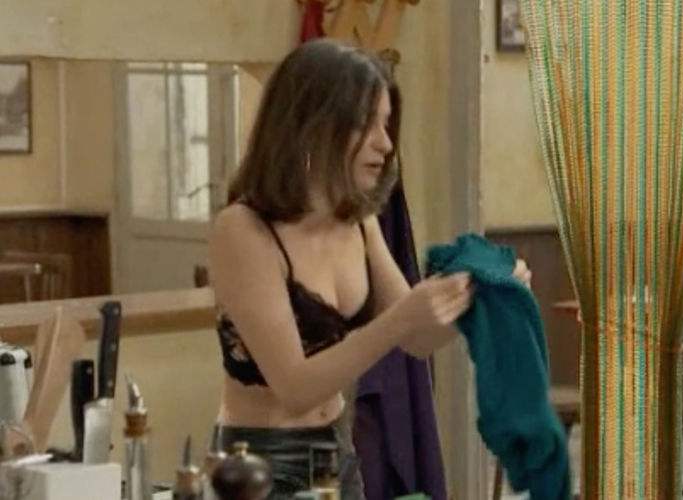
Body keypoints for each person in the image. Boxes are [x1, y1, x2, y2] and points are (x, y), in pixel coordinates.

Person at [208, 39, 530, 498]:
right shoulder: (242, 229)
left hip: (339, 453)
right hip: (258, 465)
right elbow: (295, 387)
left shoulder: (358, 220)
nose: (386, 143)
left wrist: (481, 298)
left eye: (386, 123)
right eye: (366, 124)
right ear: (313, 125)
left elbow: (418, 339)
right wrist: (400, 319)